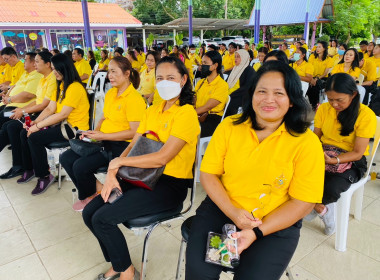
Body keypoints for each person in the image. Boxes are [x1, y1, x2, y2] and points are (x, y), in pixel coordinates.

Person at [185, 61, 325, 280]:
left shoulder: (307, 143)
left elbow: (303, 202)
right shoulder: (230, 126)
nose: (269, 99)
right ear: (251, 95)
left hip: (274, 224)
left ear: (291, 101)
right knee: (200, 274)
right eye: (262, 91)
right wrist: (233, 213)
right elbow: (209, 174)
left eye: (279, 93)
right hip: (222, 209)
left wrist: (256, 232)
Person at [82, 56, 200, 280]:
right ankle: (120, 264)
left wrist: (119, 162)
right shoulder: (153, 110)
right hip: (141, 176)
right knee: (90, 213)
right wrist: (113, 172)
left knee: (103, 219)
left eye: (171, 78)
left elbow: (162, 157)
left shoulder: (187, 114)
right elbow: (135, 144)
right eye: (160, 78)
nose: (164, 82)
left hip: (168, 185)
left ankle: (126, 272)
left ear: (183, 79)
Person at [60, 56, 146, 211]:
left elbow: (134, 132)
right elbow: (104, 117)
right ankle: (96, 191)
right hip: (104, 141)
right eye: (109, 72)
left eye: (114, 72)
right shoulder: (112, 93)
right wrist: (94, 133)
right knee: (65, 157)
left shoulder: (134, 99)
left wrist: (103, 136)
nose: (109, 76)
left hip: (122, 146)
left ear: (127, 74)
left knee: (80, 166)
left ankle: (91, 196)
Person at [305, 73, 376, 235]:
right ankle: (322, 210)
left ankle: (317, 208)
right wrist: (315, 153)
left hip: (351, 159)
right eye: (330, 99)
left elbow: (358, 153)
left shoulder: (365, 115)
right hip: (325, 153)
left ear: (353, 95)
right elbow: (316, 138)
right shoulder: (324, 108)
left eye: (339, 100)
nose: (334, 104)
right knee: (295, 176)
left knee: (330, 187)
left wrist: (334, 160)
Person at [17, 53, 90, 195]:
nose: (54, 72)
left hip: (73, 129)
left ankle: (44, 176)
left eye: (57, 69)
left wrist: (37, 127)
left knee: (34, 138)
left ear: (65, 68)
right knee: (24, 132)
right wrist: (35, 122)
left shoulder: (74, 87)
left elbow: (62, 114)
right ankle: (30, 168)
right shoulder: (61, 85)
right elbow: (50, 108)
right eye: (54, 69)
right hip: (62, 124)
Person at [0, 51, 55, 179]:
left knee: (12, 126)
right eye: (34, 61)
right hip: (33, 111)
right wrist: (22, 110)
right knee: (9, 125)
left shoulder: (51, 78)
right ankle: (22, 166)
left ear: (47, 64)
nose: (34, 64)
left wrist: (23, 111)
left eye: (37, 61)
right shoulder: (42, 78)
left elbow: (44, 105)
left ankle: (24, 167)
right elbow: (38, 100)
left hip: (43, 114)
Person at [0, 52, 42, 128]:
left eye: (25, 60)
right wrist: (6, 97)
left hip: (16, 109)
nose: (23, 62)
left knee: (3, 117)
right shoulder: (26, 73)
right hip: (9, 105)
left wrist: (9, 99)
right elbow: (15, 86)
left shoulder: (37, 75)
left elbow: (28, 95)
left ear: (33, 63)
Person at [195, 51, 229, 138]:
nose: (202, 65)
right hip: (197, 114)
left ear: (215, 66)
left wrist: (190, 113)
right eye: (202, 62)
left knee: (188, 130)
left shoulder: (222, 85)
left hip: (212, 118)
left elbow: (207, 107)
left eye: (205, 63)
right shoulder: (201, 82)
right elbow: (193, 99)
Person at [225, 49, 256, 117]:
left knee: (230, 106)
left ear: (244, 57)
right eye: (235, 57)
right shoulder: (235, 69)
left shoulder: (249, 71)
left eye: (238, 57)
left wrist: (231, 95)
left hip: (240, 97)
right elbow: (226, 83)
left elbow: (247, 87)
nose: (235, 59)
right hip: (229, 95)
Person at [307, 41, 334, 109]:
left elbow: (325, 73)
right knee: (308, 88)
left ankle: (315, 104)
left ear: (324, 48)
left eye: (319, 47)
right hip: (311, 77)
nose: (317, 49)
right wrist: (312, 79)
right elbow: (309, 68)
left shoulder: (329, 59)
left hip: (323, 78)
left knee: (315, 87)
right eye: (317, 47)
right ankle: (313, 103)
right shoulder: (312, 57)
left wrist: (317, 79)